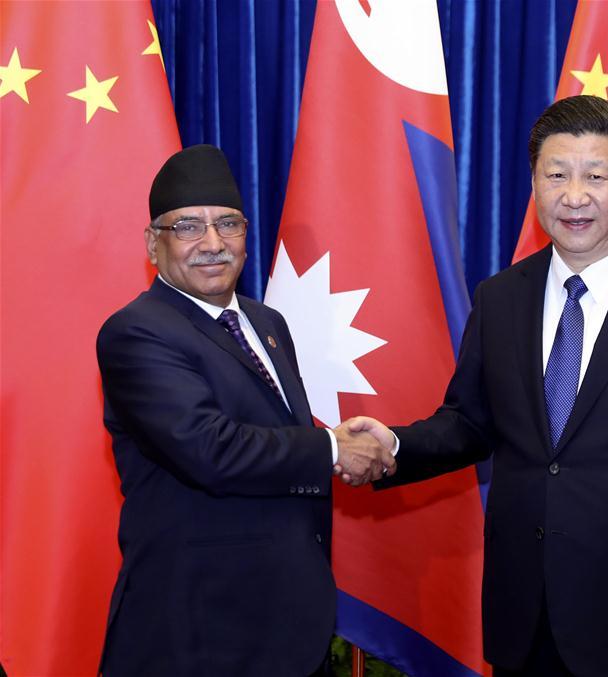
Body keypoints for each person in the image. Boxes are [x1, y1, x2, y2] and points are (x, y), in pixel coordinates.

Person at [347, 96, 608, 676]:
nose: (574, 196)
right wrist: (393, 446)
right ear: (534, 184)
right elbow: (470, 423)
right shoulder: (501, 297)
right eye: (556, 175)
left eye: (596, 176)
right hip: (526, 610)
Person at [96, 144, 394, 676]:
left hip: (289, 627)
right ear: (152, 243)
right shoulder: (137, 332)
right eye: (187, 226)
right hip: (198, 633)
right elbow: (209, 448)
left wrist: (339, 439)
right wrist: (331, 448)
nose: (212, 244)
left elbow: (274, 431)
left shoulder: (268, 324)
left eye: (227, 224)